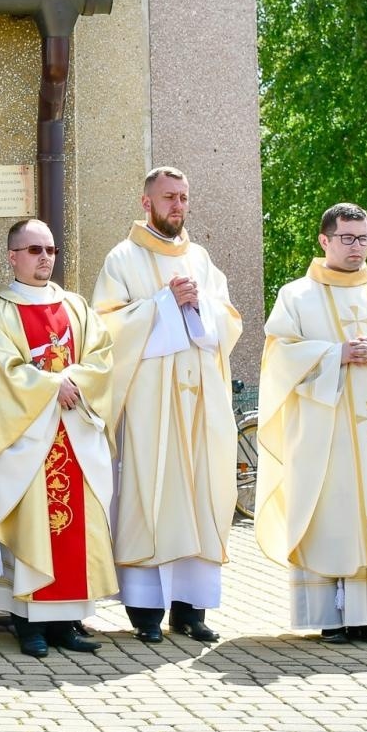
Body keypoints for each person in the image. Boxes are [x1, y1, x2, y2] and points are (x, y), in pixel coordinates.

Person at [256, 203, 367, 644]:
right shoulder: (296, 295)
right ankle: (330, 617)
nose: (358, 247)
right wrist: (337, 354)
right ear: (324, 240)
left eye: (363, 238)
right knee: (332, 518)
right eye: (348, 238)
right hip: (325, 436)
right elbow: (280, 355)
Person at [92, 167, 243, 644]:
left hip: (200, 404)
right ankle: (145, 612)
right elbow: (105, 329)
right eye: (168, 198)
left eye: (183, 197)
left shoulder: (200, 258)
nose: (178, 206)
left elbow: (228, 320)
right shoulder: (122, 258)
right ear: (146, 202)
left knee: (200, 494)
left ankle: (190, 609)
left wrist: (201, 308)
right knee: (149, 497)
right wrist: (162, 304)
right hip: (149, 407)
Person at [0, 220, 115, 658]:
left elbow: (101, 359)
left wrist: (73, 382)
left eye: (50, 250)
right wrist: (53, 386)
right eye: (34, 250)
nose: (45, 258)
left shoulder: (76, 307)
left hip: (73, 435)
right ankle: (28, 622)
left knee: (74, 532)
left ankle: (67, 623)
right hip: (28, 439)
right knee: (33, 528)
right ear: (12, 256)